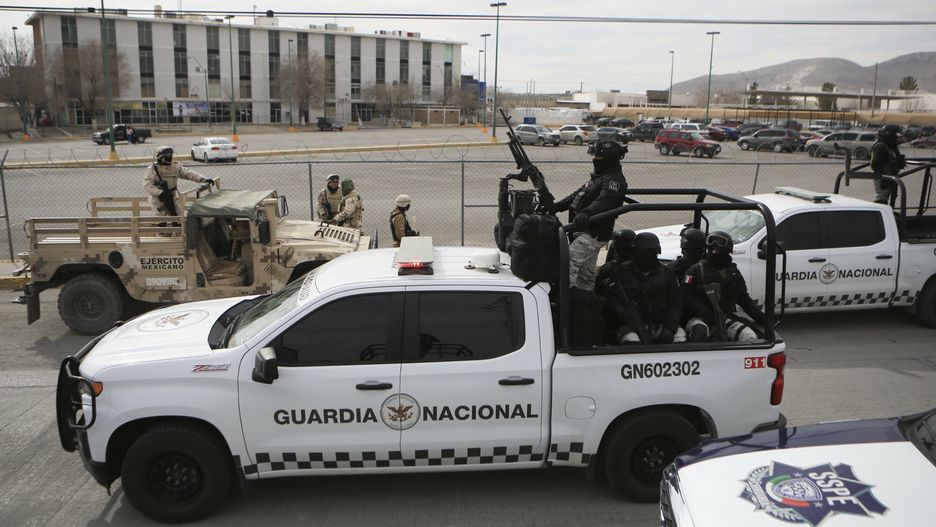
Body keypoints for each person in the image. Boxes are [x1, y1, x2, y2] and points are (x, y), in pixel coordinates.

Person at [549, 140, 628, 290]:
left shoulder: (614, 180)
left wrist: (586, 212)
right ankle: (586, 298)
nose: (595, 160)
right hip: (585, 230)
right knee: (586, 274)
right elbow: (578, 195)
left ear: (608, 159)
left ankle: (568, 298)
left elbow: (605, 200)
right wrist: (557, 206)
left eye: (598, 157)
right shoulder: (600, 177)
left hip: (594, 233)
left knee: (568, 262)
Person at [683, 231, 765, 343]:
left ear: (728, 250)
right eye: (711, 247)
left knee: (749, 336)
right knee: (699, 332)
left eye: (718, 247)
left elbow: (743, 299)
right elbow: (685, 296)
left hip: (724, 318)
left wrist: (761, 317)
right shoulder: (696, 270)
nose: (714, 250)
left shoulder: (733, 273)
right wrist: (705, 312)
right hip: (699, 318)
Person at [603, 233, 685, 344]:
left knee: (680, 340)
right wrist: (620, 311)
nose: (645, 257)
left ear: (656, 253)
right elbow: (609, 297)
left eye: (649, 253)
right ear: (635, 253)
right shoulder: (621, 272)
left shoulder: (667, 273)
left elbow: (676, 303)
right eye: (641, 253)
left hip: (661, 324)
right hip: (630, 326)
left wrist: (670, 328)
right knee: (632, 342)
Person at [143, 146, 213, 216]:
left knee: (178, 217)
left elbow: (188, 173)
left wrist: (204, 179)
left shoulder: (175, 167)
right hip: (158, 199)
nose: (170, 158)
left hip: (171, 197)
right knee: (161, 220)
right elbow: (147, 185)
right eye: (167, 156)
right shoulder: (152, 169)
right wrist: (160, 193)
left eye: (170, 156)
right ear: (161, 157)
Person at [869, 124, 906, 206]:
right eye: (896, 136)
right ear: (890, 136)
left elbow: (895, 160)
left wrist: (899, 162)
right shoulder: (880, 146)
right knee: (881, 200)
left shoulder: (891, 146)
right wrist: (891, 165)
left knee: (891, 199)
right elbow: (874, 165)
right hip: (883, 178)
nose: (898, 138)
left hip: (891, 177)